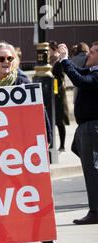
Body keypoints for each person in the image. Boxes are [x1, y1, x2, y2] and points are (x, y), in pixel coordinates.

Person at [0, 41, 64, 243]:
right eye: (1, 59)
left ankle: (48, 239)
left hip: (24, 149)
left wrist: (47, 139)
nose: (6, 62)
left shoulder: (23, 81)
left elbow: (39, 111)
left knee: (35, 194)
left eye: (10, 58)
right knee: (9, 197)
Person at [58, 41, 98, 225]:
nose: (88, 55)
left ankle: (95, 211)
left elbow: (80, 80)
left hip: (92, 128)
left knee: (93, 171)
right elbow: (80, 73)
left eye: (92, 52)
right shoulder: (92, 70)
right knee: (89, 166)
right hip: (86, 128)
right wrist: (65, 60)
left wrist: (66, 60)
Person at [49, 41, 70, 152]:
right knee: (53, 121)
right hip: (52, 93)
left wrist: (55, 90)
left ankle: (62, 145)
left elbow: (59, 79)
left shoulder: (58, 62)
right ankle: (53, 144)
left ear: (54, 49)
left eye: (49, 49)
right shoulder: (50, 61)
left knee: (60, 121)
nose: (47, 52)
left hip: (58, 94)